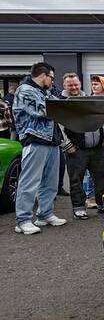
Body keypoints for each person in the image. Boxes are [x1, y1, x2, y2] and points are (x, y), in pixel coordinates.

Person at [12, 62, 67, 234]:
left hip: (51, 141)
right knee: (29, 182)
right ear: (43, 75)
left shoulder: (46, 91)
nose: (53, 81)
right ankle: (22, 220)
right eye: (51, 77)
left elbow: (60, 105)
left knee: (50, 183)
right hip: (35, 140)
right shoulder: (25, 90)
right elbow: (43, 110)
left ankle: (45, 214)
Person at [59, 73, 104, 219]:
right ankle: (79, 207)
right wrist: (67, 145)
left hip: (96, 148)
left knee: (102, 177)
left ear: (80, 84)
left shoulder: (89, 98)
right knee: (76, 179)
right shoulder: (62, 102)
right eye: (70, 85)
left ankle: (101, 204)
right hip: (76, 148)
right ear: (64, 86)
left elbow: (100, 118)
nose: (74, 87)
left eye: (76, 84)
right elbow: (59, 126)